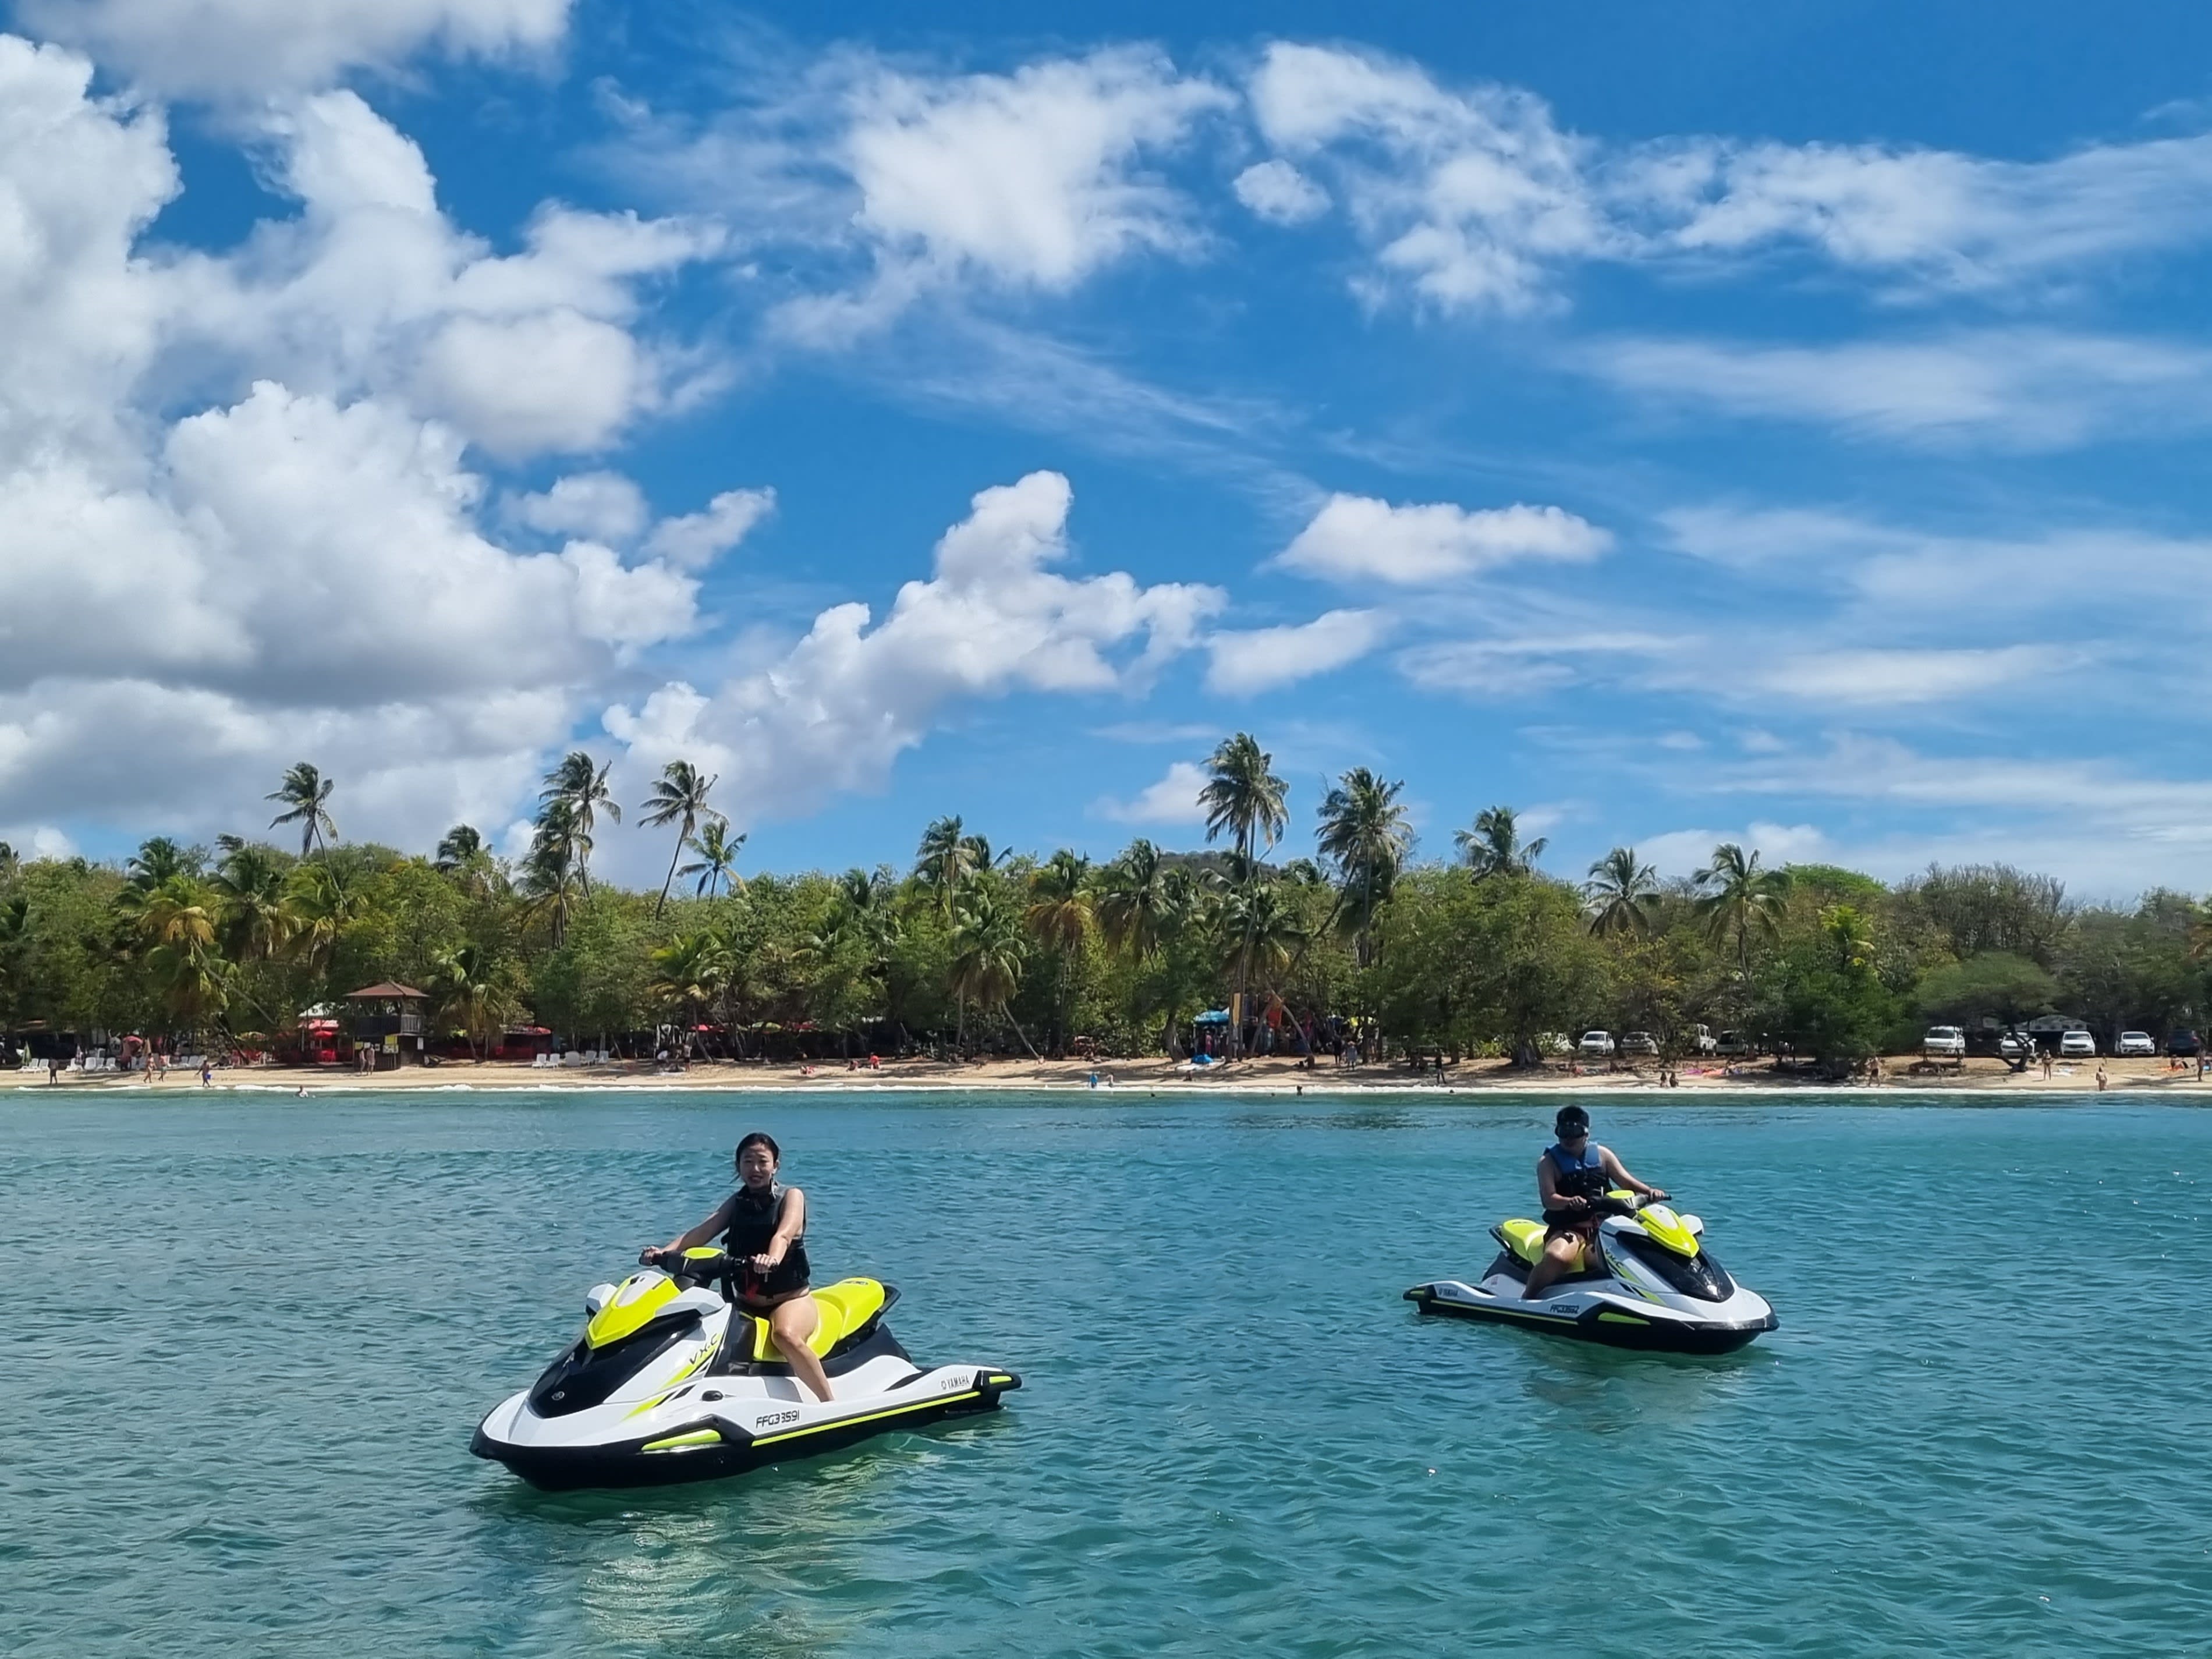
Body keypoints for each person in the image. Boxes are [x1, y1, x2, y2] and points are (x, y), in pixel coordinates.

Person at [643, 1132, 832, 1403]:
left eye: (762, 1162)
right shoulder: (736, 1202)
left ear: (775, 1165)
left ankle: (829, 1402)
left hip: (789, 1299)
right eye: (748, 1162)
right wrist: (664, 1252)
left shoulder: (792, 1197)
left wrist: (773, 1259)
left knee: (785, 1336)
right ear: (738, 1166)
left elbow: (784, 1234)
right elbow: (703, 1231)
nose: (755, 1169)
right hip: (745, 1302)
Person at [1521, 1105, 1668, 1302]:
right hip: (1570, 1228)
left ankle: (1654, 1297)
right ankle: (1527, 1298)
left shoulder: (1603, 1155)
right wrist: (1568, 1202)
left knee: (1638, 1254)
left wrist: (1649, 1191)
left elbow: (1626, 1181)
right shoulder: (1547, 1163)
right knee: (1559, 1257)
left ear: (1586, 1133)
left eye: (1574, 1132)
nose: (1568, 1139)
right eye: (1563, 1132)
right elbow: (1549, 1200)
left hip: (1605, 1227)